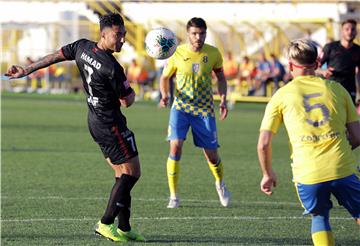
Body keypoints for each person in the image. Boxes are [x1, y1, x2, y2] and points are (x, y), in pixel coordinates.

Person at [5, 13, 145, 242]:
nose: (122, 40)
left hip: (94, 121)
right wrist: (129, 88)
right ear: (104, 34)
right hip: (110, 124)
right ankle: (106, 223)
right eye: (118, 35)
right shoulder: (112, 67)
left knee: (121, 173)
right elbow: (127, 101)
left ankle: (125, 227)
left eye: (124, 35)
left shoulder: (82, 47)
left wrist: (27, 70)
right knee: (132, 172)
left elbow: (56, 56)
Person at [257, 39, 360, 246]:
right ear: (317, 63)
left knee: (319, 217)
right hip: (341, 168)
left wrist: (268, 174)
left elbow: (263, 144)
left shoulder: (281, 96)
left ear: (290, 64)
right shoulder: (337, 90)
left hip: (308, 173)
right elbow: (357, 136)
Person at [159, 17, 231, 209]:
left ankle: (220, 183)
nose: (198, 37)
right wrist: (165, 95)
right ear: (188, 34)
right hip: (181, 107)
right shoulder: (177, 53)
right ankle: (174, 196)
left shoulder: (213, 53)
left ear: (206, 34)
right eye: (194, 33)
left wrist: (223, 99)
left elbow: (221, 78)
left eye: (201, 33)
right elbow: (164, 78)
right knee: (175, 147)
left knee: (212, 156)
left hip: (205, 110)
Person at [319, 19, 360, 104]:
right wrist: (323, 71)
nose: (350, 32)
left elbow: (359, 72)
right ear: (342, 31)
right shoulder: (330, 47)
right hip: (332, 88)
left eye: (353, 29)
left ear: (356, 32)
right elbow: (315, 66)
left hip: (350, 90)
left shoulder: (358, 50)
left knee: (349, 117)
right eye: (347, 29)